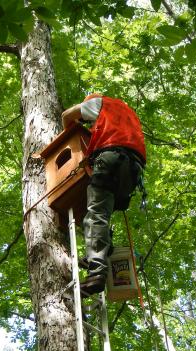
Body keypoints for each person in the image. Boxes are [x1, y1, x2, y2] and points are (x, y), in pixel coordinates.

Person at [61, 93, 146, 295]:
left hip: (111, 159)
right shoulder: (128, 113)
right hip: (133, 171)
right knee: (103, 214)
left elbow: (66, 115)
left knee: (96, 214)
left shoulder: (99, 103)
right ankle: (99, 252)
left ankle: (96, 272)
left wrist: (69, 135)